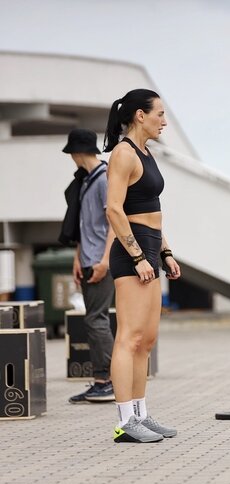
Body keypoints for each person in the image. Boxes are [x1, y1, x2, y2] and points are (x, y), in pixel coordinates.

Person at [103, 89, 181, 443]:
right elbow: (114, 210)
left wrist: (164, 252)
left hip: (150, 249)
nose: (164, 121)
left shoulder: (147, 153)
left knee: (146, 341)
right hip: (131, 254)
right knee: (129, 338)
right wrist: (136, 257)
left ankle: (141, 414)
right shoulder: (123, 153)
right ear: (139, 115)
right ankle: (124, 422)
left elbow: (151, 211)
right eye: (160, 114)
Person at [62, 129, 116, 404]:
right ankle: (101, 379)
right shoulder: (86, 181)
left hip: (100, 260)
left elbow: (113, 223)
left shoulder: (104, 179)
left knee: (97, 319)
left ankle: (106, 381)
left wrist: (105, 261)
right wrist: (77, 258)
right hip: (87, 258)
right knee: (93, 319)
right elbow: (84, 225)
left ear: (77, 152)